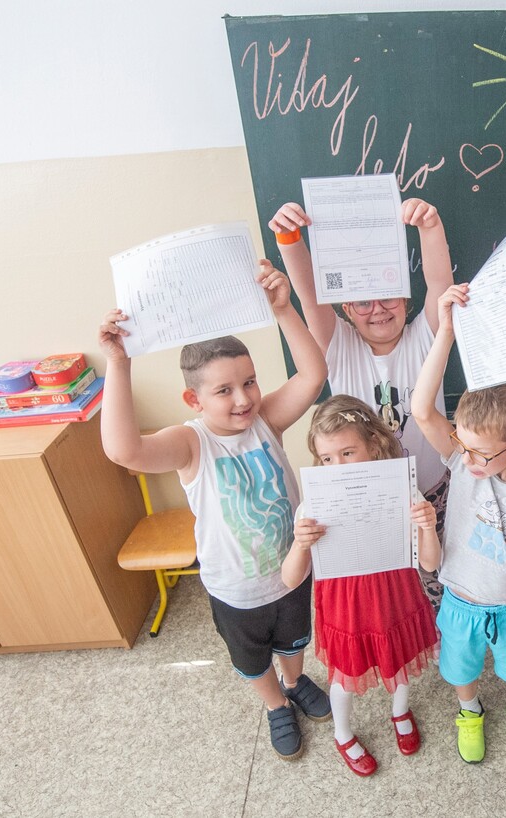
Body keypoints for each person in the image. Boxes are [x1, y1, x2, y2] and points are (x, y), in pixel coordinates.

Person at [98, 261, 331, 761]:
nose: (243, 398)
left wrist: (284, 310)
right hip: (237, 589)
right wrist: (119, 364)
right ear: (194, 397)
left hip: (292, 572)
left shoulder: (266, 419)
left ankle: (295, 682)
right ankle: (275, 705)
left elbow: (314, 374)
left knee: (293, 640)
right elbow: (124, 450)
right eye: (224, 390)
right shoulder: (191, 443)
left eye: (249, 382)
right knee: (252, 658)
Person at [269, 197, 453, 607]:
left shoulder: (427, 334)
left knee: (435, 574)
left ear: (405, 299)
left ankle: (436, 630)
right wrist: (288, 239)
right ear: (347, 309)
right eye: (363, 303)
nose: (378, 311)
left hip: (431, 489)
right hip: (361, 497)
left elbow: (441, 284)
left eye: (388, 297)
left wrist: (430, 226)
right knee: (385, 590)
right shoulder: (339, 345)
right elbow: (309, 296)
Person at [410, 283, 506, 764]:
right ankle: (470, 712)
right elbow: (420, 409)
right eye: (463, 443)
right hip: (461, 598)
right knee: (461, 669)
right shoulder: (462, 458)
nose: (468, 458)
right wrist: (446, 335)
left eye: (481, 452)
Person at [280, 396, 441, 777]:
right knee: (345, 677)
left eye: (348, 452)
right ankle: (342, 733)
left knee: (399, 659)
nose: (337, 466)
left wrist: (428, 525)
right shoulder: (313, 506)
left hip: (395, 594)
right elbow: (289, 579)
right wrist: (301, 543)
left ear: (374, 445)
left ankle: (400, 712)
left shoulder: (403, 490)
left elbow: (432, 563)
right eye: (327, 459)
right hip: (345, 604)